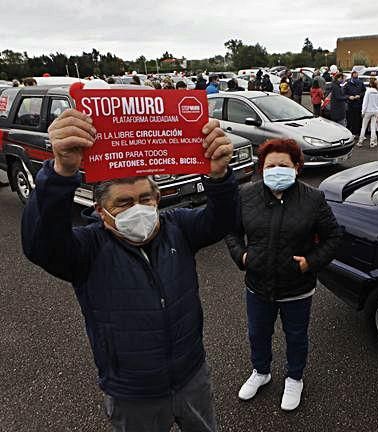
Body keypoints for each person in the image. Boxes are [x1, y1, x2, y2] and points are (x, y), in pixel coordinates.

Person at [22, 110, 237, 432]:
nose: (137, 208)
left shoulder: (177, 227)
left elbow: (221, 221)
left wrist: (219, 178)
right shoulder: (88, 248)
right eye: (123, 203)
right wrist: (60, 174)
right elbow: (42, 246)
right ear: (100, 210)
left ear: (157, 198)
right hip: (133, 393)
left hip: (192, 374)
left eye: (145, 198)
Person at [225, 139, 342, 412]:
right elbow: (231, 231)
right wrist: (241, 256)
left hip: (297, 287)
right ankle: (261, 371)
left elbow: (334, 237)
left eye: (283, 165)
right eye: (271, 166)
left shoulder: (313, 199)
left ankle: (294, 377)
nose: (276, 170)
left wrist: (309, 263)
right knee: (257, 333)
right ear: (261, 168)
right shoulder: (246, 195)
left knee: (297, 336)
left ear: (297, 168)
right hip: (257, 285)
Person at [357, 78, 378, 148]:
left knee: (363, 127)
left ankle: (360, 142)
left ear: (370, 84)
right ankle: (372, 142)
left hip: (368, 111)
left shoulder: (368, 91)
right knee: (373, 127)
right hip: (375, 111)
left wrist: (363, 111)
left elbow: (365, 102)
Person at [344, 71, 366, 137]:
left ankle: (357, 133)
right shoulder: (347, 84)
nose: (356, 79)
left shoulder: (360, 83)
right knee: (351, 119)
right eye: (354, 77)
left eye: (357, 77)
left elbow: (364, 92)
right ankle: (351, 133)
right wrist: (349, 97)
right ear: (351, 77)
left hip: (358, 104)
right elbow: (343, 94)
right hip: (350, 105)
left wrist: (359, 95)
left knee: (358, 119)